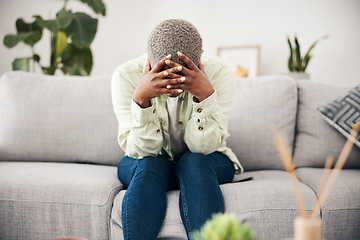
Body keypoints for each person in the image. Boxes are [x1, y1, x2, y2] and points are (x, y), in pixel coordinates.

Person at [111, 19, 243, 240]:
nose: (171, 86)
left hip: (206, 159)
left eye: (181, 74)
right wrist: (142, 99)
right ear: (148, 58)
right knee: (151, 164)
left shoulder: (217, 72)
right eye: (162, 72)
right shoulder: (125, 76)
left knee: (194, 162)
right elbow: (141, 151)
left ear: (199, 58)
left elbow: (204, 147)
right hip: (145, 159)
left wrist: (205, 97)